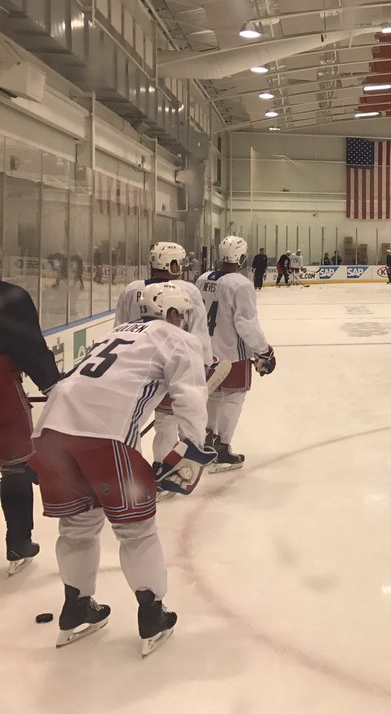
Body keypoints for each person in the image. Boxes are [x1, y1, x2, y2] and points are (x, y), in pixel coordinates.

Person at [30, 281, 209, 656]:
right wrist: (193, 447)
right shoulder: (177, 338)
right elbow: (190, 397)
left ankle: (77, 606)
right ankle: (153, 614)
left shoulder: (115, 333)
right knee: (137, 531)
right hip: (105, 438)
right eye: (184, 314)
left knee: (78, 526)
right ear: (174, 312)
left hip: (51, 433)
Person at [114, 242, 214, 469]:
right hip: (172, 363)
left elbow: (119, 326)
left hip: (134, 366)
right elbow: (199, 330)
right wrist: (205, 364)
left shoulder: (131, 289)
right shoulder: (187, 290)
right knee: (168, 419)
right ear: (172, 263)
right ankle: (164, 466)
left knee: (130, 423)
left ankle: (128, 468)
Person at [197, 237, 275, 472]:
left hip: (205, 352)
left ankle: (207, 442)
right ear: (242, 257)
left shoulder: (202, 279)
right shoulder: (240, 284)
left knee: (213, 396)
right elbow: (246, 323)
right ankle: (222, 448)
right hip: (232, 353)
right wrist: (264, 350)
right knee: (234, 397)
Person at [0, 279, 61, 575]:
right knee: (15, 466)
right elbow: (31, 348)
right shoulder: (10, 296)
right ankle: (19, 541)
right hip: (2, 392)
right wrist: (53, 385)